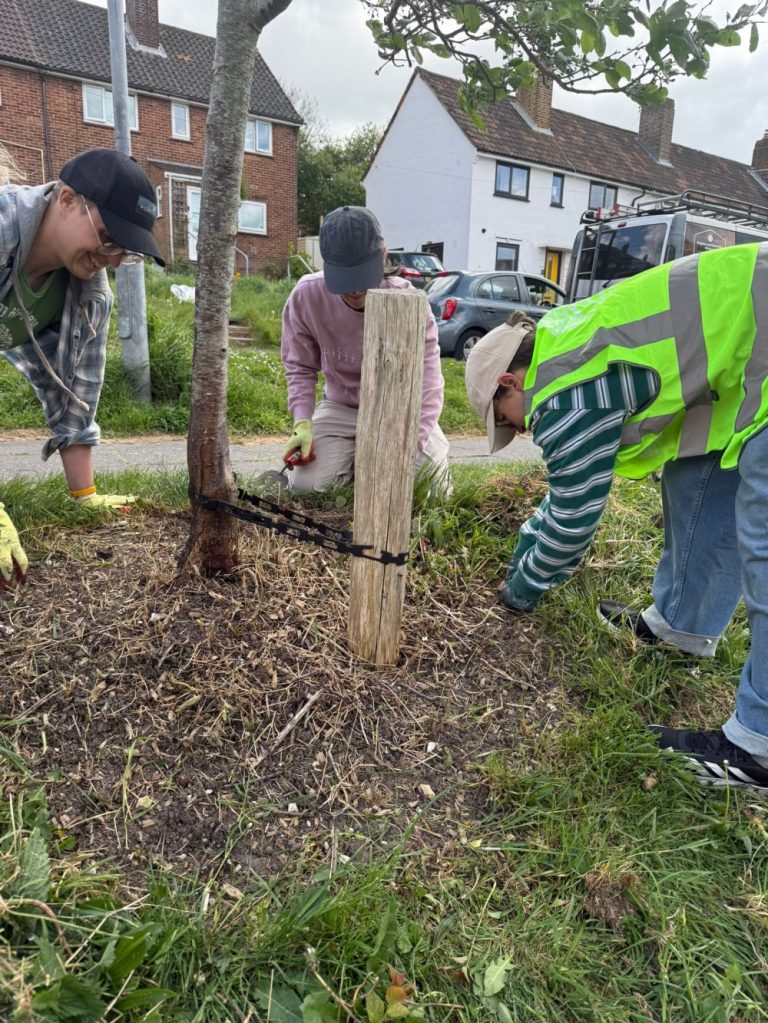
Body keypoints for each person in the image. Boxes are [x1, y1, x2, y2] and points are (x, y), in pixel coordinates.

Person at [464, 242, 768, 793]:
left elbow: (574, 519)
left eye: (506, 420)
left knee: (763, 534)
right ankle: (681, 628)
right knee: (698, 475)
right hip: (749, 334)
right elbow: (564, 495)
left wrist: (522, 589)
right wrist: (530, 534)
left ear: (510, 383)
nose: (520, 431)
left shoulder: (560, 397)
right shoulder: (565, 342)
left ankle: (759, 746)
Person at [0, 147, 164, 588]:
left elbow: (76, 392)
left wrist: (85, 495)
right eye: (108, 237)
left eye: (125, 251)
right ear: (67, 199)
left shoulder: (90, 296)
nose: (111, 258)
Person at [280, 205, 449, 494]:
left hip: (399, 410)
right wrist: (302, 422)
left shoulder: (409, 303)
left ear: (382, 255)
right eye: (345, 277)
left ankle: (368, 461)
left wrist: (409, 447)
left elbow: (430, 385)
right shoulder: (306, 296)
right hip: (341, 408)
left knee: (433, 489)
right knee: (306, 486)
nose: (355, 289)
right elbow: (299, 366)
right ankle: (353, 461)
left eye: (361, 274)